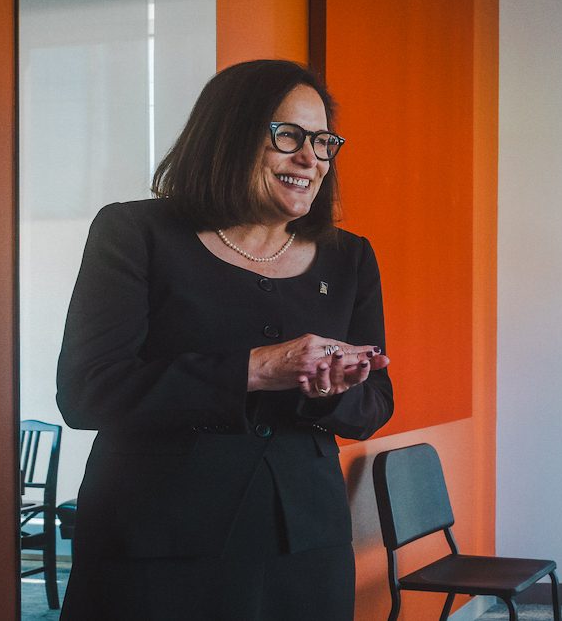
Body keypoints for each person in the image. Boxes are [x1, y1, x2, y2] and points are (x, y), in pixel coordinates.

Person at [56, 59, 394, 620]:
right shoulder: (134, 233)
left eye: (322, 141)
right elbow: (88, 391)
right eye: (288, 136)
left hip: (303, 549)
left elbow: (375, 404)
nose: (310, 159)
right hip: (153, 545)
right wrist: (256, 368)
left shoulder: (351, 257)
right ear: (228, 134)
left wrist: (331, 390)